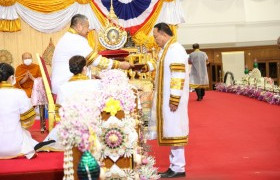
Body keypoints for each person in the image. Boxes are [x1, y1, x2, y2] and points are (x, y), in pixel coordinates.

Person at [139, 23, 189, 178]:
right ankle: (174, 166)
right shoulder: (167, 49)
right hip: (167, 99)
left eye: (155, 37)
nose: (155, 40)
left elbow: (177, 76)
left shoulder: (176, 50)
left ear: (163, 34)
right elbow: (158, 63)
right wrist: (144, 67)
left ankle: (179, 168)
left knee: (175, 131)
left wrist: (174, 99)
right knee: (171, 131)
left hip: (173, 100)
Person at [51, 14, 130, 95]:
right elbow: (96, 61)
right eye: (87, 27)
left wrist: (89, 76)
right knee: (107, 90)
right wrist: (120, 64)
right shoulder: (75, 39)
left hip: (63, 85)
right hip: (65, 86)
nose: (88, 30)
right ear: (79, 26)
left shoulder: (69, 37)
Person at [35, 55, 101, 151]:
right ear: (85, 68)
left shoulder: (63, 87)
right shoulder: (96, 84)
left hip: (72, 124)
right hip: (93, 124)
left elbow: (60, 112)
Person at [0, 63, 38, 159]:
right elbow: (28, 120)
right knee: (25, 134)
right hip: (15, 147)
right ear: (12, 77)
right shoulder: (19, 94)